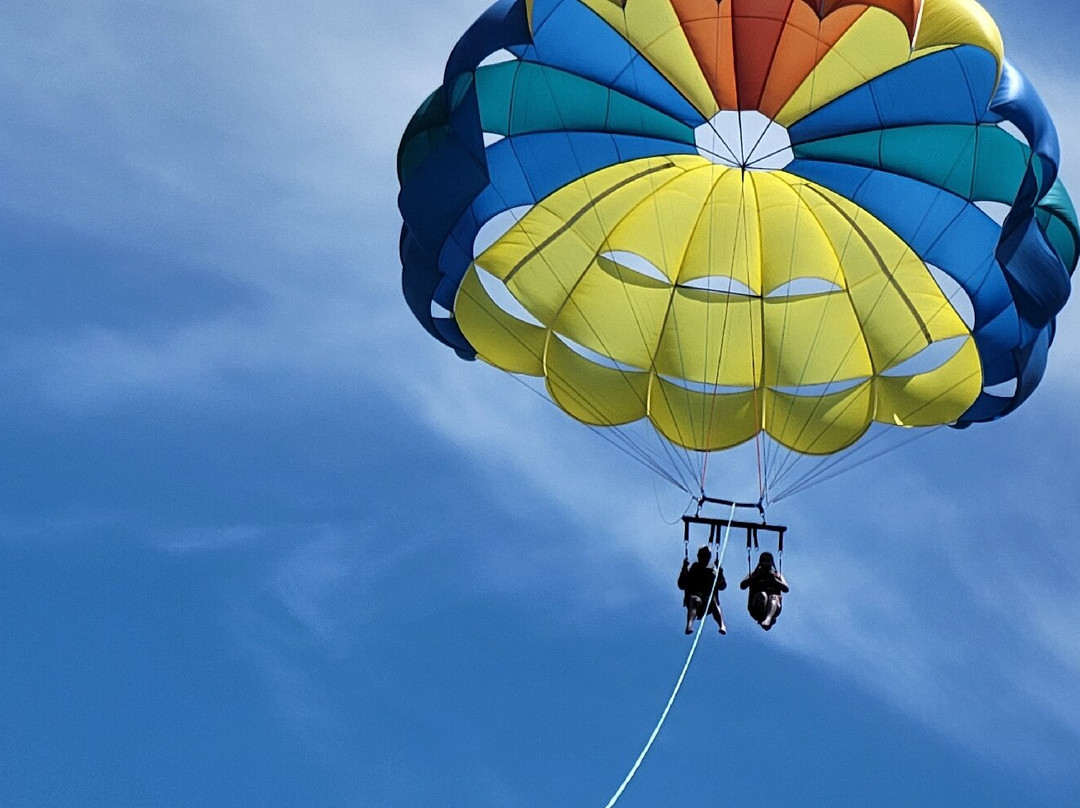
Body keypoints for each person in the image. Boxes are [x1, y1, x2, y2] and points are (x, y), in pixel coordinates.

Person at [678, 545, 727, 635]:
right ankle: (689, 625)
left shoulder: (713, 570)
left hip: (708, 601)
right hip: (695, 599)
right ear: (698, 556)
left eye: (706, 556)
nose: (705, 558)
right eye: (703, 555)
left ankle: (722, 625)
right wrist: (684, 568)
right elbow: (681, 585)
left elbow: (722, 586)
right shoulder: (693, 568)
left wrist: (720, 572)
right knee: (695, 599)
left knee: (713, 601)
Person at [740, 552, 789, 631]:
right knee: (763, 595)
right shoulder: (754, 574)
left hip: (774, 604)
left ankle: (768, 618)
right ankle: (763, 617)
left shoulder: (777, 575)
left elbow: (786, 589)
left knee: (773, 597)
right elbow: (742, 586)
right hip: (756, 604)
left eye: (767, 561)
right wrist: (755, 577)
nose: (765, 563)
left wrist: (775, 580)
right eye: (763, 561)